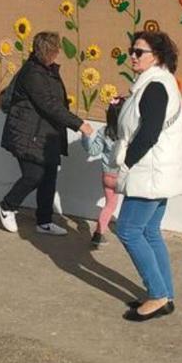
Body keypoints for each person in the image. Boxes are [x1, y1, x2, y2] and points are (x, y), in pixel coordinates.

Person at [113, 31, 182, 322]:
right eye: (132, 51)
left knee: (127, 229)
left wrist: (124, 164)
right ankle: (165, 293)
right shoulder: (157, 83)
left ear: (157, 56)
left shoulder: (156, 86)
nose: (133, 56)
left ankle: (158, 295)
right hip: (158, 171)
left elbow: (148, 133)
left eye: (140, 52)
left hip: (148, 172)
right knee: (149, 231)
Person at [0, 30, 94, 236]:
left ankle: (44, 221)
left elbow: (56, 103)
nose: (57, 53)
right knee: (34, 175)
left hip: (46, 134)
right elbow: (49, 105)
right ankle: (7, 206)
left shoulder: (49, 71)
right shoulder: (32, 73)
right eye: (54, 49)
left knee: (49, 178)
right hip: (27, 133)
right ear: (46, 51)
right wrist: (79, 124)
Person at [80, 96, 126, 249]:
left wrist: (85, 135)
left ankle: (99, 234)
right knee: (130, 203)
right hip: (122, 176)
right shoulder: (128, 134)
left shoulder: (103, 131)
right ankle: (128, 230)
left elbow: (93, 151)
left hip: (107, 176)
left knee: (109, 205)